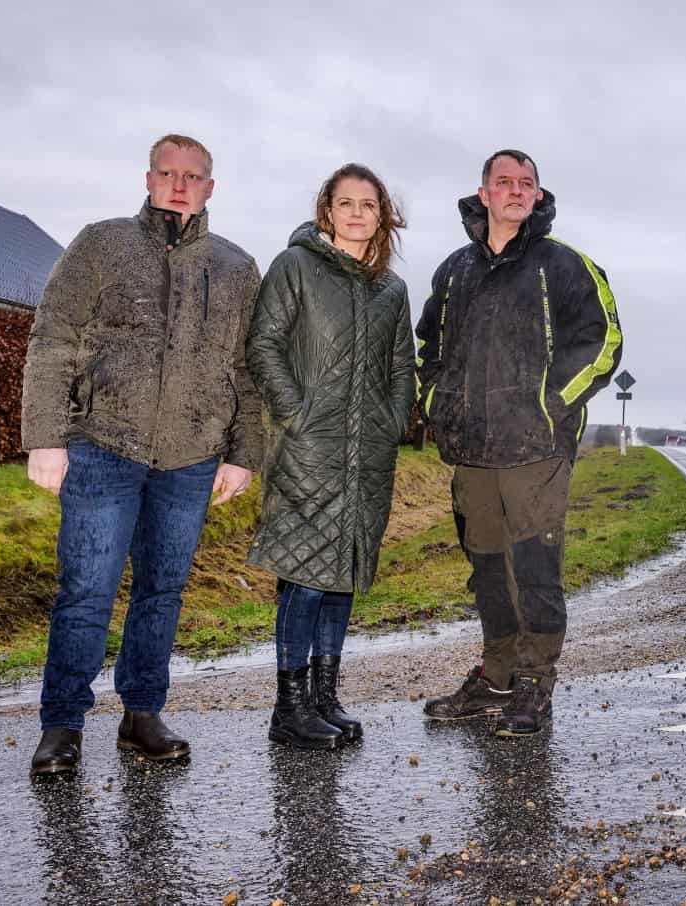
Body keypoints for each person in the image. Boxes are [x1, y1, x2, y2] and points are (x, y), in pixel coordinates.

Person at [20, 134, 262, 775]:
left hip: (190, 458)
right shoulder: (101, 244)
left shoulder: (237, 268)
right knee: (86, 590)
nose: (179, 184)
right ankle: (62, 725)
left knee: (162, 590)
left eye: (193, 176)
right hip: (104, 449)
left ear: (211, 186)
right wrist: (45, 436)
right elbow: (53, 338)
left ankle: (142, 715)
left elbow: (246, 368)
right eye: (167, 172)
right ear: (148, 178)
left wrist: (243, 453)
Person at [417, 149, 622, 736]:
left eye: (525, 183)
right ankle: (497, 677)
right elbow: (426, 349)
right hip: (473, 452)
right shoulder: (453, 271)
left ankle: (535, 683)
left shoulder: (566, 266)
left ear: (537, 195)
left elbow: (604, 343)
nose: (514, 191)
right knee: (487, 570)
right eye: (502, 182)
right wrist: (438, 407)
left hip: (537, 450)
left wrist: (550, 405)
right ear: (483, 193)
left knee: (533, 568)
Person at [245, 164, 414, 749]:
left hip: (367, 454)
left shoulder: (391, 288)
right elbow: (263, 342)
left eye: (369, 204)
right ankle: (288, 708)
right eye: (347, 202)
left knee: (341, 576)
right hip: (309, 451)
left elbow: (401, 367)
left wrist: (391, 423)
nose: (358, 213)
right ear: (327, 210)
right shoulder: (295, 267)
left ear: (382, 215)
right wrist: (296, 414)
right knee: (305, 577)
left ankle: (324, 697)